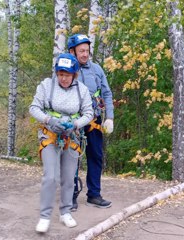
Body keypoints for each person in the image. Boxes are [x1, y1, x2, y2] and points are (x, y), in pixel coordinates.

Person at [29, 53, 93, 233]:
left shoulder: (82, 90)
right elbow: (34, 108)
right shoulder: (46, 86)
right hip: (50, 135)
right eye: (60, 74)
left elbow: (88, 113)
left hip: (71, 138)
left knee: (68, 178)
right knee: (50, 177)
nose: (63, 78)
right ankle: (44, 216)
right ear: (56, 73)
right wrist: (49, 120)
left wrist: (75, 124)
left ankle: (65, 212)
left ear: (74, 75)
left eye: (67, 74)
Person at [68, 34, 114, 211]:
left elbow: (107, 93)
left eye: (86, 50)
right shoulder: (67, 70)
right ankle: (70, 195)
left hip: (94, 120)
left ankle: (94, 195)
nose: (85, 54)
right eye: (81, 51)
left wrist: (109, 117)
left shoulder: (96, 69)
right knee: (72, 158)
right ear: (72, 52)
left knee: (96, 156)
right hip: (75, 121)